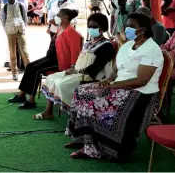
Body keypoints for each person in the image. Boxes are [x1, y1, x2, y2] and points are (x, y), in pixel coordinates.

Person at [65, 12, 163, 160]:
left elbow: (141, 80)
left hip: (140, 93)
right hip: (119, 86)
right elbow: (118, 67)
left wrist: (112, 85)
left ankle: (94, 148)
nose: (127, 29)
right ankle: (83, 138)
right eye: (126, 26)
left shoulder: (151, 49)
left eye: (131, 27)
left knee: (92, 99)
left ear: (142, 30)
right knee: (80, 91)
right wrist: (108, 79)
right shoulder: (129, 45)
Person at [39, 13, 114, 119]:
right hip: (78, 72)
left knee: (62, 84)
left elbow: (96, 67)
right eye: (89, 26)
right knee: (51, 78)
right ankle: (48, 111)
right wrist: (73, 68)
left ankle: (74, 116)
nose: (90, 29)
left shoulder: (106, 45)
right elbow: (80, 60)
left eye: (94, 27)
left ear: (102, 29)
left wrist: (78, 71)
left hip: (91, 77)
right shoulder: (88, 43)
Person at [9, 9, 81, 108]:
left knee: (36, 70)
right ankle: (22, 94)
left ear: (64, 18)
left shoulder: (72, 32)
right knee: (30, 66)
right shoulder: (60, 29)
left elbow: (75, 50)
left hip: (59, 62)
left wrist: (73, 66)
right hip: (50, 58)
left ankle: (31, 101)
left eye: (58, 15)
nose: (56, 17)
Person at [1, 0, 30, 80]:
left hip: (20, 31)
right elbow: (3, 20)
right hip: (10, 32)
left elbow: (25, 18)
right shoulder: (5, 7)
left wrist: (23, 28)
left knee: (24, 53)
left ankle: (29, 72)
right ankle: (14, 73)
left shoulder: (21, 5)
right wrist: (6, 31)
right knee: (12, 54)